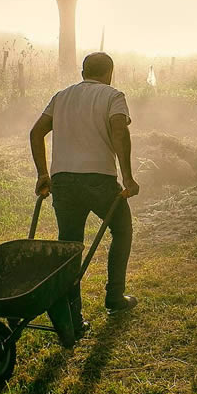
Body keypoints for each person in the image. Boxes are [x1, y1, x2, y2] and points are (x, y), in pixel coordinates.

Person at [30, 52, 140, 342]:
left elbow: (36, 132)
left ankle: (73, 318)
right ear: (110, 72)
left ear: (82, 71)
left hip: (64, 182)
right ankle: (115, 297)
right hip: (99, 180)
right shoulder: (113, 95)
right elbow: (120, 132)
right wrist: (127, 177)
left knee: (70, 246)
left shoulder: (61, 96)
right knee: (122, 230)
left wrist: (43, 173)